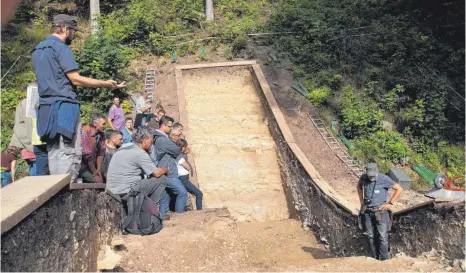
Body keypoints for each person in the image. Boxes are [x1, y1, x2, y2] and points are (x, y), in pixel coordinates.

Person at [32, 14, 121, 182]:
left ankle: (55, 188)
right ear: (65, 29)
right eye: (73, 31)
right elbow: (75, 78)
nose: (74, 35)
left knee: (53, 150)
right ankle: (66, 189)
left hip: (45, 107)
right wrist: (105, 83)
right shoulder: (61, 48)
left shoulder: (37, 50)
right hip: (64, 106)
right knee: (69, 150)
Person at [106, 127, 169, 219]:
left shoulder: (124, 147)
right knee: (162, 179)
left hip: (113, 189)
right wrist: (166, 170)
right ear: (146, 140)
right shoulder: (139, 153)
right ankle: (149, 210)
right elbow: (156, 173)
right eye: (151, 140)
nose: (152, 143)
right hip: (126, 191)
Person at [357, 162, 403, 261]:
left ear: (377, 170)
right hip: (367, 212)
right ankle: (374, 258)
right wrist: (361, 200)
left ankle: (384, 260)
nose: (371, 178)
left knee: (382, 236)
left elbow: (399, 189)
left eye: (372, 177)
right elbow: (359, 187)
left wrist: (390, 203)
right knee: (370, 236)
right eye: (369, 176)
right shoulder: (364, 177)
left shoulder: (384, 179)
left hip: (381, 213)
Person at [152, 116, 188, 215]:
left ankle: (164, 215)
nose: (171, 129)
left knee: (166, 196)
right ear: (163, 125)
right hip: (168, 171)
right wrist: (180, 146)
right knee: (182, 193)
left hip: (166, 169)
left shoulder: (160, 137)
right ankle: (180, 216)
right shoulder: (163, 139)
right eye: (170, 126)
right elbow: (176, 150)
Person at [79, 113, 107, 183]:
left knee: (107, 178)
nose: (105, 126)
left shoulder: (101, 134)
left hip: (92, 166)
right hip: (82, 167)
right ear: (95, 123)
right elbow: (87, 156)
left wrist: (98, 169)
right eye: (103, 124)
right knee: (98, 181)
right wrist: (95, 172)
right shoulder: (84, 132)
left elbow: (101, 153)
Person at [176, 139, 203, 210]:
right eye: (185, 146)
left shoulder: (180, 155)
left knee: (184, 195)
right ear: (182, 147)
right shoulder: (179, 156)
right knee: (199, 194)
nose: (186, 148)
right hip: (183, 179)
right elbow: (187, 167)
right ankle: (200, 212)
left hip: (184, 179)